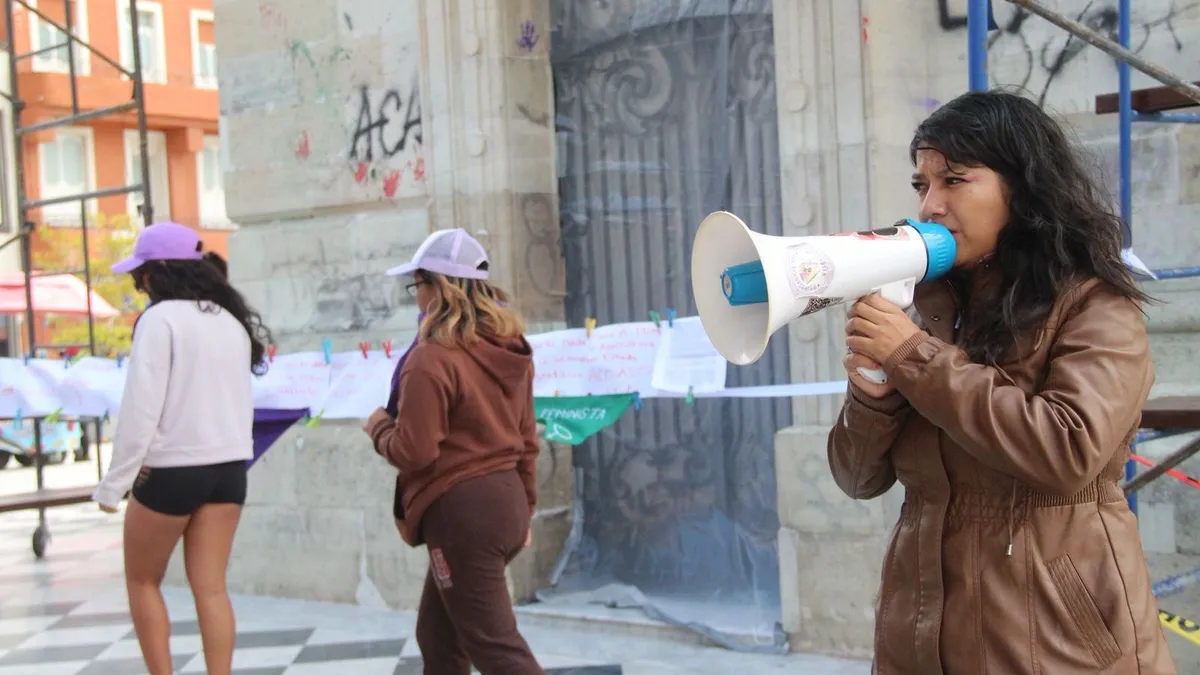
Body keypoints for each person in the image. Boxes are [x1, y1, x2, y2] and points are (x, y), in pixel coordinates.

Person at [827, 89, 1176, 675]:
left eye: (955, 180)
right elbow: (857, 478)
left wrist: (913, 358)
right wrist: (873, 394)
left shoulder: (1097, 304)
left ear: (1022, 187)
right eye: (921, 185)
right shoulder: (926, 308)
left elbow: (1067, 450)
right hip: (923, 634)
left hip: (1054, 640)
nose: (930, 206)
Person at [93, 221, 272, 675]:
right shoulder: (230, 321)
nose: (140, 285)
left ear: (156, 274)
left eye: (139, 276)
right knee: (211, 589)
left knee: (142, 581)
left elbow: (140, 412)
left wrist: (114, 486)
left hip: (171, 471)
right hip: (229, 470)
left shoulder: (159, 320)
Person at [362, 228, 544, 674]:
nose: (415, 297)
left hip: (462, 510)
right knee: (439, 639)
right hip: (503, 503)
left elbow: (415, 450)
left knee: (495, 647)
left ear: (437, 287)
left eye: (417, 285)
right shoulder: (509, 349)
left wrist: (379, 427)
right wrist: (527, 507)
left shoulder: (433, 357)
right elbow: (526, 443)